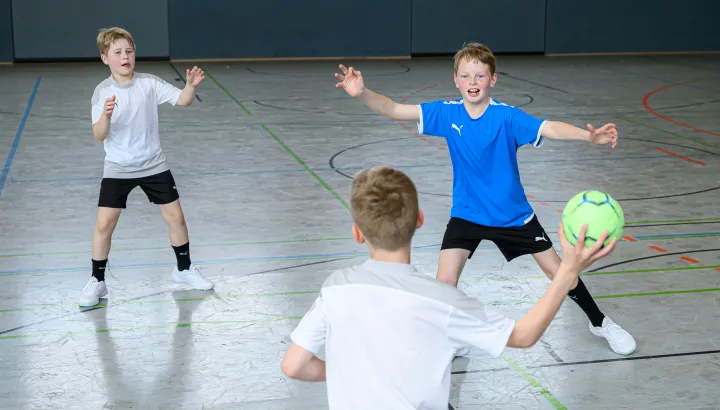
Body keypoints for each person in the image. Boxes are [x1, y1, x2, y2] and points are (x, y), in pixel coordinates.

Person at [332, 42, 636, 356]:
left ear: (493, 80)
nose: (473, 82)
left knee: (559, 272)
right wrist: (363, 93)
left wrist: (588, 135)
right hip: (467, 214)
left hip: (514, 216)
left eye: (480, 75)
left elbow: (550, 128)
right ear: (456, 81)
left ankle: (599, 322)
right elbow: (395, 109)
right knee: (444, 281)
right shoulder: (446, 113)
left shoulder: (507, 118)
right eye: (466, 76)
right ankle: (454, 335)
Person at [281, 166, 617, 409]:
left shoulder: (335, 288)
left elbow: (294, 365)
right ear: (419, 220)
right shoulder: (442, 300)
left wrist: (349, 374)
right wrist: (567, 271)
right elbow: (524, 336)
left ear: (357, 232)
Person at [79, 27, 213, 307]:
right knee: (104, 224)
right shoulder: (102, 92)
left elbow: (183, 101)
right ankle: (97, 281)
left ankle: (184, 270)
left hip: (153, 163)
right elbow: (99, 134)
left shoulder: (149, 83)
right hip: (118, 166)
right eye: (117, 52)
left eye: (129, 51)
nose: (125, 56)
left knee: (176, 218)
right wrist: (106, 115)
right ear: (105, 59)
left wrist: (190, 86)